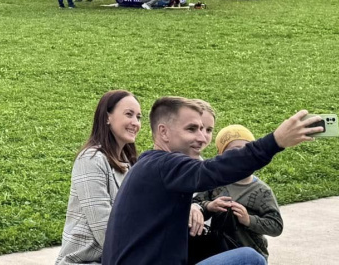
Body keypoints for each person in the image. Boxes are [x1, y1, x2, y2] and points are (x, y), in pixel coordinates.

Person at [102, 97, 323, 265]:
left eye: (204, 129)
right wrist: (276, 141)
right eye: (191, 129)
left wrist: (201, 208)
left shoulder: (150, 164)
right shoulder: (164, 165)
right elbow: (213, 171)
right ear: (164, 132)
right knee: (250, 258)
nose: (201, 138)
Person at [56, 90, 141, 265]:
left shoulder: (129, 163)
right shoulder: (91, 159)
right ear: (107, 117)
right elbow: (104, 228)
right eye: (129, 114)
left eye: (138, 117)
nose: (135, 123)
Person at [197, 126, 283, 262]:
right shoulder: (215, 183)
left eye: (247, 150)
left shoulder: (262, 191)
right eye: (234, 152)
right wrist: (209, 206)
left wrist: (248, 220)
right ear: (221, 157)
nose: (242, 157)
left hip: (252, 257)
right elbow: (195, 205)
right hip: (219, 254)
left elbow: (276, 226)